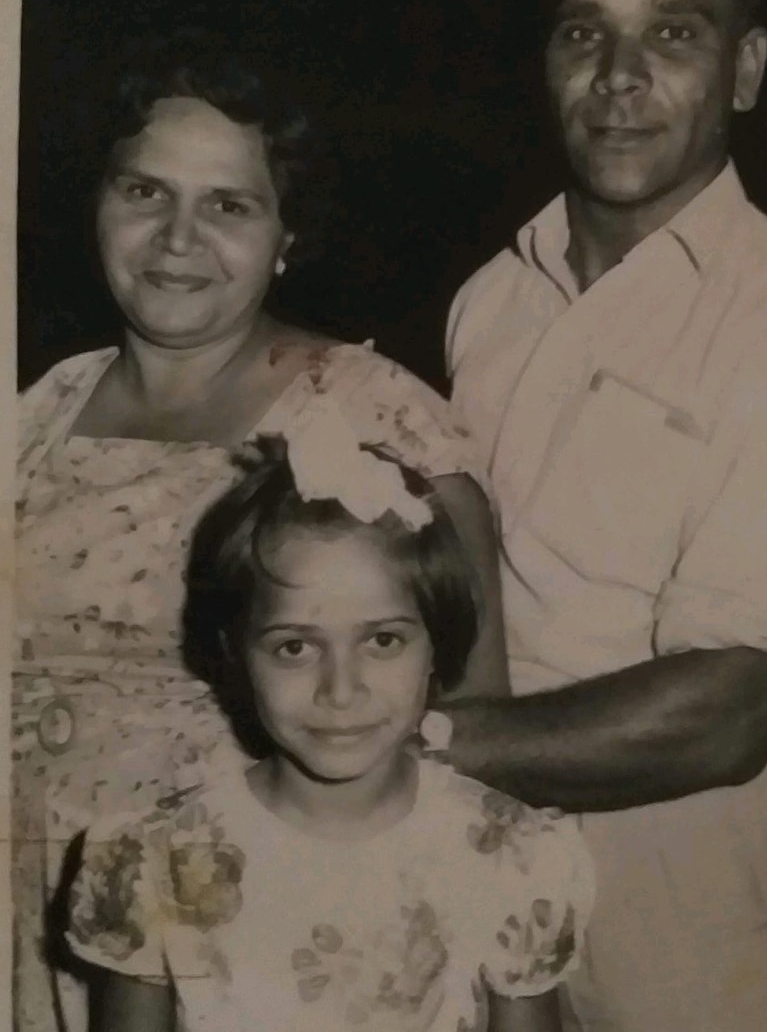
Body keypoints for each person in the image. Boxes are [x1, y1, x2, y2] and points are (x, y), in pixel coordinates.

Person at [14, 29, 507, 1032]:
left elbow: (472, 737)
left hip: (247, 958)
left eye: (228, 206)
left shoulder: (370, 421)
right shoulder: (40, 410)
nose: (177, 239)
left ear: (285, 236)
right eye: (143, 192)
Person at [442, 0, 767, 1031]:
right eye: (585, 32)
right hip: (489, 882)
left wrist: (397, 739)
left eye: (673, 32)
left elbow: (727, 712)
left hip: (699, 908)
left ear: (746, 68)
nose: (619, 75)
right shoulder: (493, 297)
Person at [63, 426, 594, 1032]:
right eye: (295, 647)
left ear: (436, 646)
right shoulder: (154, 859)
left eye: (383, 640)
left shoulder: (511, 856)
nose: (341, 690)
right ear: (235, 653)